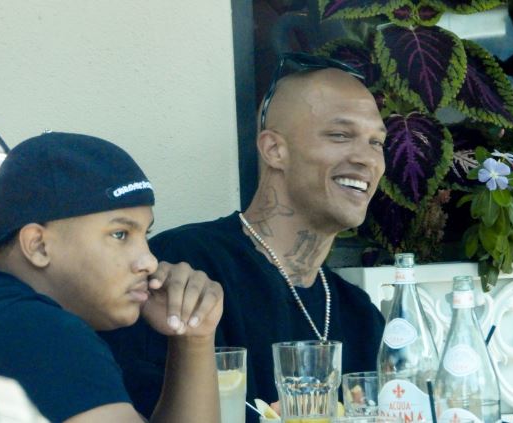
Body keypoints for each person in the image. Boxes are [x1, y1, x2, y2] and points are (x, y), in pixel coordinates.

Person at [102, 53, 387, 422]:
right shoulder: (185, 265)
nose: (367, 159)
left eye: (376, 142)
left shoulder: (360, 314)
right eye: (340, 135)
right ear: (274, 149)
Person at [0, 132, 223, 423]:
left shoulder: (7, 314)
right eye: (120, 234)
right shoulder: (40, 329)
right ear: (38, 245)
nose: (149, 261)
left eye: (145, 234)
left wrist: (193, 337)